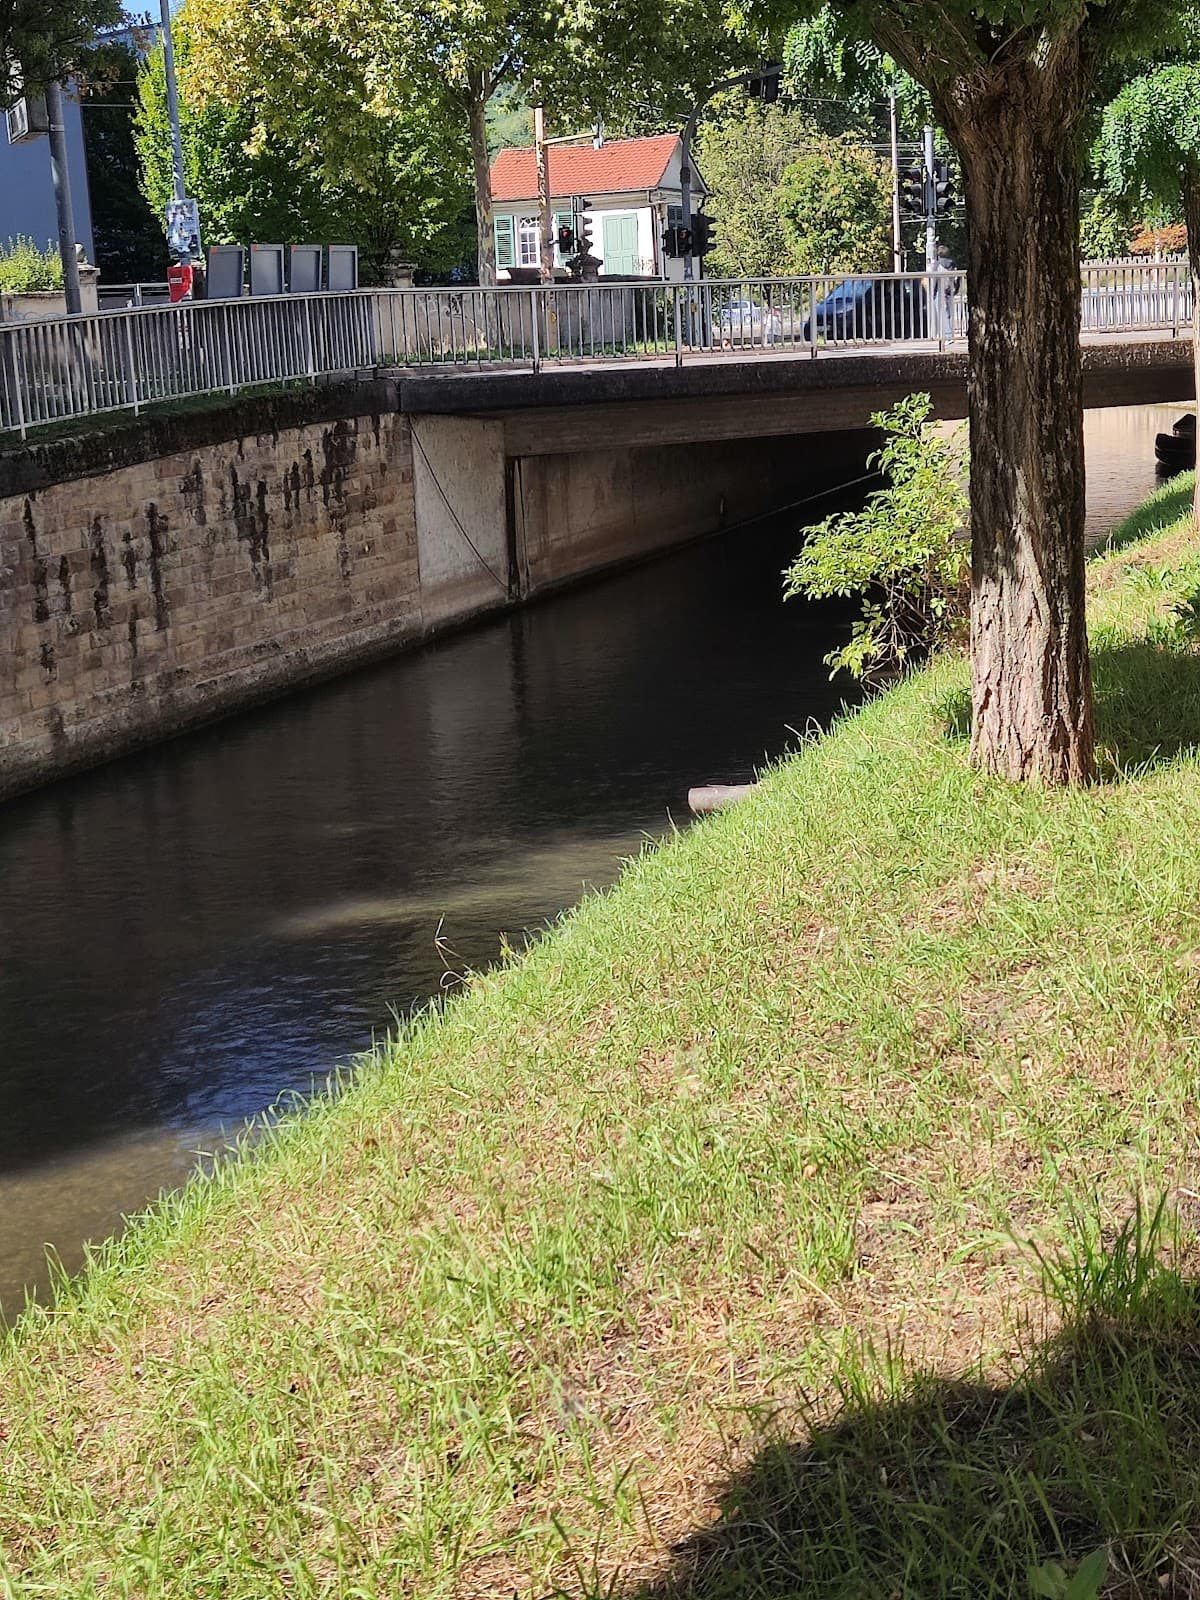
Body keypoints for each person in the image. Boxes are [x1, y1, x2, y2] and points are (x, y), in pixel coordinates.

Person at [935, 243, 960, 340]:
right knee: (948, 312)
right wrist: (956, 289)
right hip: (950, 290)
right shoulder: (953, 264)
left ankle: (947, 334)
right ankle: (948, 332)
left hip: (940, 290)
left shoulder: (938, 264)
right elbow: (957, 278)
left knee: (942, 312)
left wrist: (932, 292)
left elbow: (935, 279)